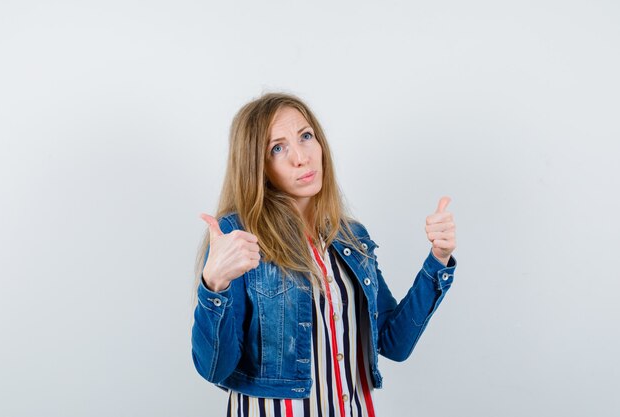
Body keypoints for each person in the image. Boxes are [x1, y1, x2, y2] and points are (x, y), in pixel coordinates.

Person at [191, 92, 457, 417]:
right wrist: (213, 285)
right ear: (257, 166)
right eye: (278, 148)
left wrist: (438, 260)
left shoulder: (351, 236)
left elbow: (394, 344)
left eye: (305, 136)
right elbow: (214, 368)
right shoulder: (238, 237)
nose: (300, 157)